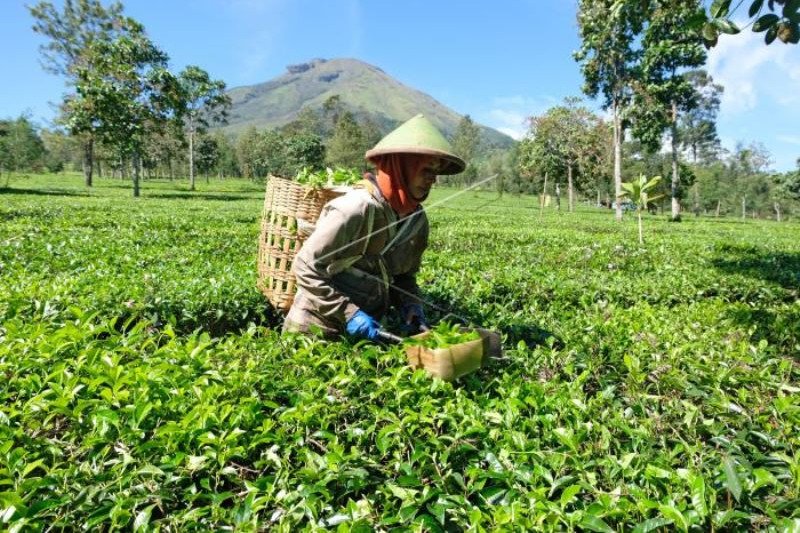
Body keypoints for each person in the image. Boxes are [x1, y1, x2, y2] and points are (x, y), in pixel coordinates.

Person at [283, 114, 465, 340]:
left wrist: (411, 307)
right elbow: (306, 267)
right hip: (315, 330)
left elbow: (404, 277)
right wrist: (350, 314)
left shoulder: (417, 221)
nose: (432, 180)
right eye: (426, 170)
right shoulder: (354, 209)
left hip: (372, 330)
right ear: (401, 167)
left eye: (436, 173)